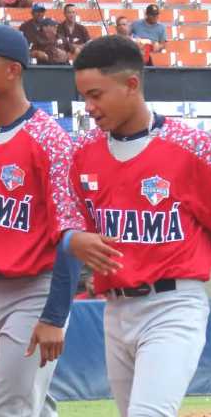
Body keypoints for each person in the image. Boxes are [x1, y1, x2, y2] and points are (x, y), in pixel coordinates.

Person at [0, 23, 87, 417]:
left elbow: (71, 232)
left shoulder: (50, 139)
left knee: (7, 409)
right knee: (32, 408)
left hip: (36, 289)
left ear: (13, 69)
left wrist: (55, 315)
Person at [71, 35, 210, 417]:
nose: (89, 107)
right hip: (115, 309)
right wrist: (74, 239)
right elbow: (73, 227)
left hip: (174, 303)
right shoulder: (84, 152)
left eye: (96, 94)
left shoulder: (193, 148)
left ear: (132, 84)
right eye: (84, 96)